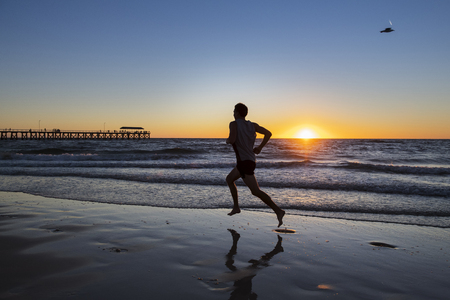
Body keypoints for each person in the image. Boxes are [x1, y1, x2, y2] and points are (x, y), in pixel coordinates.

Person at [226, 103, 285, 227]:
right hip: (249, 161)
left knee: (256, 191)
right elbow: (268, 133)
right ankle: (236, 207)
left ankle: (278, 211)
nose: (233, 113)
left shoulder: (234, 124)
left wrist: (227, 140)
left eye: (234, 111)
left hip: (244, 162)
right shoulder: (253, 125)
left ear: (236, 112)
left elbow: (231, 140)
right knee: (229, 179)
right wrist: (260, 148)